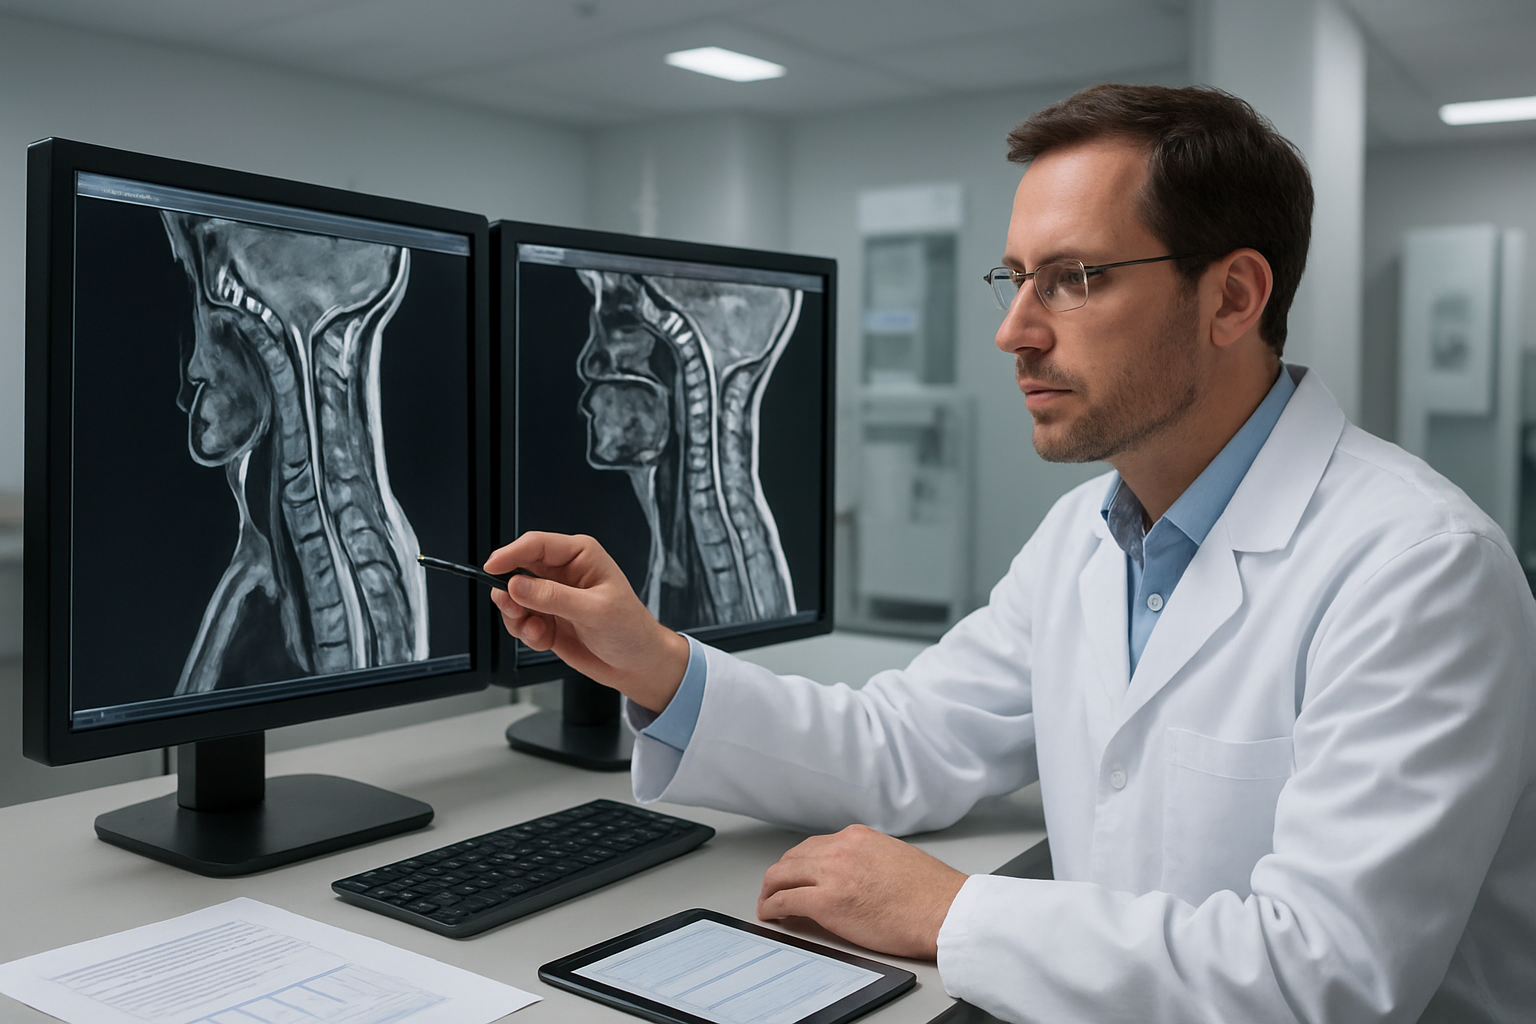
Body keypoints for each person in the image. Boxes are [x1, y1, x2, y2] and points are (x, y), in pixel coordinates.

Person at [486, 84, 1536, 1023]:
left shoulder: (1419, 567)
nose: (1015, 332)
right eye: (1017, 279)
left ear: (1233, 296)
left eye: (1073, 279)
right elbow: (906, 742)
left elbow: (1331, 976)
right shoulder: (1087, 533)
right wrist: (655, 663)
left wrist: (956, 910)